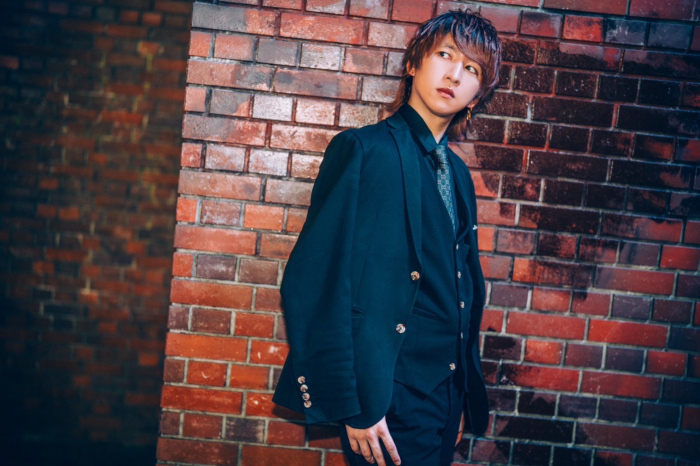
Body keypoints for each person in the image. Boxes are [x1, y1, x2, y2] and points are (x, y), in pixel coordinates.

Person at [272, 10, 502, 466]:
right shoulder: (363, 149)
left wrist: (457, 393)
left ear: (477, 96)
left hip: (444, 397)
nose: (455, 75)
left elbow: (456, 287)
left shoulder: (458, 174)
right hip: (383, 397)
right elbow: (312, 282)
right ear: (413, 63)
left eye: (472, 69)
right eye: (445, 55)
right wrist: (353, 404)